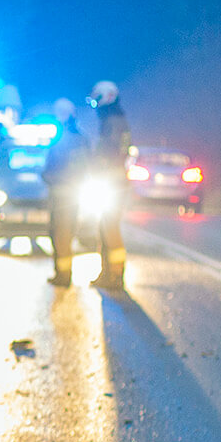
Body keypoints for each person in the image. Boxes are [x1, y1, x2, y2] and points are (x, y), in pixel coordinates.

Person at [88, 80, 130, 287]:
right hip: (112, 181)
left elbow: (110, 151)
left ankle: (115, 274)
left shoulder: (112, 122)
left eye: (97, 100)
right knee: (105, 228)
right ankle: (107, 273)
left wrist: (97, 166)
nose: (96, 106)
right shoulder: (116, 120)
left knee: (110, 229)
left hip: (111, 183)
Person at [42, 98, 87, 286]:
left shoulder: (62, 138)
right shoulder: (80, 139)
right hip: (73, 193)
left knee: (60, 234)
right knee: (65, 233)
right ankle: (63, 272)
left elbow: (53, 166)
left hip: (61, 194)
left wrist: (48, 176)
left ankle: (63, 274)